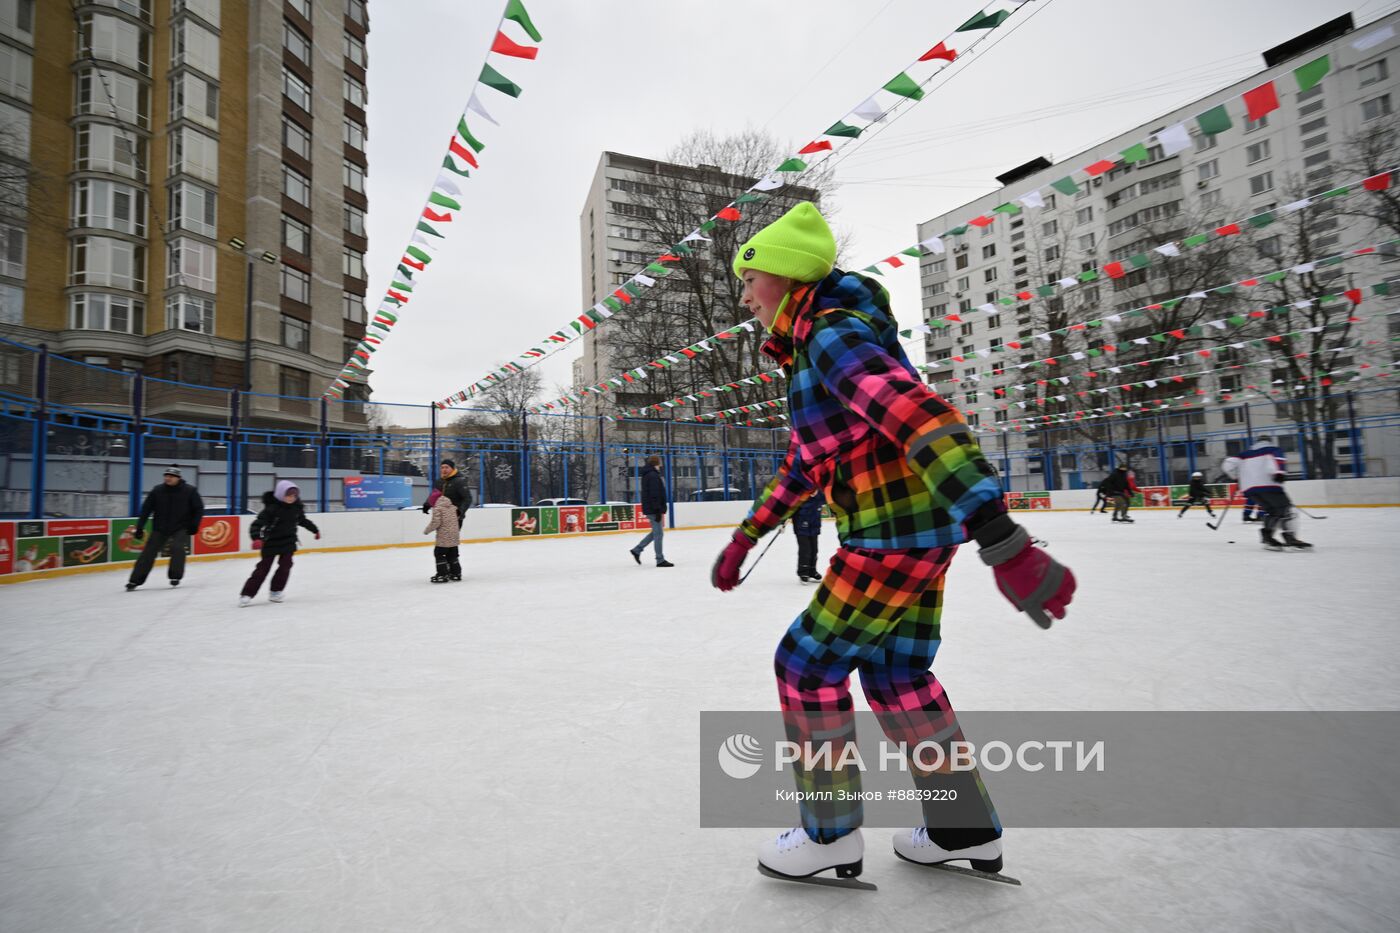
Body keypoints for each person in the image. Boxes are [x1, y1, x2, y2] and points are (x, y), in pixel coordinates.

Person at [709, 202, 1076, 886]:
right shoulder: (821, 346)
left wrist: (1000, 533)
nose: (744, 296)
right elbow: (804, 462)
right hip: (921, 533)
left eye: (748, 278)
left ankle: (829, 835)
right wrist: (747, 535)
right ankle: (960, 825)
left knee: (804, 667)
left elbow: (919, 414)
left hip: (888, 535)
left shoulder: (830, 334)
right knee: (897, 676)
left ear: (784, 277)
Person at [240, 480, 321, 606]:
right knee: (263, 569)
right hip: (270, 542)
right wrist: (256, 538)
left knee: (285, 566)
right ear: (280, 494)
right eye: (288, 495)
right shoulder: (271, 509)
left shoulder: (296, 508)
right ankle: (247, 594)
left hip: (288, 541)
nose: (291, 498)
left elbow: (303, 521)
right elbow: (256, 524)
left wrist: (315, 530)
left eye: (294, 496)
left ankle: (276, 591)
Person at [1222, 436, 1310, 549]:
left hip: (1249, 489)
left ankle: (1268, 538)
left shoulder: (1243, 454)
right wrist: (1279, 473)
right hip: (1269, 485)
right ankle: (1291, 539)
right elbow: (1279, 459)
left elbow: (1227, 464)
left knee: (1273, 512)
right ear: (1269, 441)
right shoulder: (1273, 449)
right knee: (1287, 511)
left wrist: (1236, 477)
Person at [126, 465, 204, 590]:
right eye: (166, 476)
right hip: (160, 527)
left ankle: (175, 576)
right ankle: (135, 580)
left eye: (172, 477)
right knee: (148, 552)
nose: (168, 478)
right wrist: (140, 527)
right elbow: (146, 510)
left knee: (177, 548)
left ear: (178, 478)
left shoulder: (190, 491)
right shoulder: (157, 491)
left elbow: (198, 509)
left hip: (181, 526)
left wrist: (195, 525)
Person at [629, 455, 673, 567]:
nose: (661, 464)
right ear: (656, 463)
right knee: (659, 534)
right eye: (660, 462)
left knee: (656, 532)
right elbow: (654, 494)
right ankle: (660, 559)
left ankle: (637, 550)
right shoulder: (653, 475)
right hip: (653, 509)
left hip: (651, 508)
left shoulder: (650, 474)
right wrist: (658, 510)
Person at [423, 489, 462, 582]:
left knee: (439, 554)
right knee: (452, 555)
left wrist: (427, 530)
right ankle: (456, 573)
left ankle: (443, 574)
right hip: (454, 536)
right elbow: (458, 518)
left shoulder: (438, 509)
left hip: (443, 537)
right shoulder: (453, 507)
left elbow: (435, 523)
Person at [424, 459, 472, 525]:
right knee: (442, 535)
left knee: (450, 535)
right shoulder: (440, 481)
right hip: (442, 516)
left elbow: (467, 498)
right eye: (442, 467)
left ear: (452, 468)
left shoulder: (459, 481)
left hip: (455, 517)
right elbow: (434, 495)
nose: (444, 470)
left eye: (447, 467)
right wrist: (427, 504)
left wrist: (460, 511)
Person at [791, 492, 824, 582]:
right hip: (801, 527)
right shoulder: (800, 496)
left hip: (814, 527)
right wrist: (782, 522)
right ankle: (803, 572)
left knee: (814, 550)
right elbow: (790, 509)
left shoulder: (820, 496)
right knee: (805, 550)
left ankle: (812, 571)